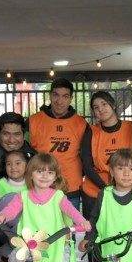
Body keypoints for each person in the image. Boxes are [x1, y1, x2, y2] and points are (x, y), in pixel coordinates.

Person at [81, 91, 132, 262]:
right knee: (95, 240)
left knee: (124, 237)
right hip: (96, 192)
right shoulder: (91, 132)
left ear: (113, 105)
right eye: (96, 107)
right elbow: (87, 164)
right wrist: (108, 188)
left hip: (126, 192)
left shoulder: (131, 128)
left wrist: (121, 186)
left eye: (104, 104)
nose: (101, 109)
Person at [28, 78, 88, 210]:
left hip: (71, 189)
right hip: (40, 189)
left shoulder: (81, 124)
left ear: (71, 98)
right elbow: (24, 153)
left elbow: (88, 157)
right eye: (56, 95)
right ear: (50, 95)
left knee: (70, 229)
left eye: (65, 96)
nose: (59, 101)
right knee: (41, 230)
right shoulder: (33, 121)